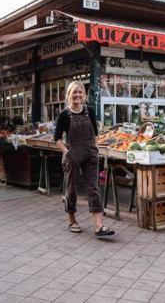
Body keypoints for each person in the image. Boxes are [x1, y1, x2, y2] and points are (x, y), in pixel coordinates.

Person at [54, 81, 115, 237]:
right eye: (74, 92)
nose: (77, 95)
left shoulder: (90, 111)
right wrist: (67, 152)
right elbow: (57, 138)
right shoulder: (64, 114)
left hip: (90, 154)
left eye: (80, 92)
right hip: (73, 154)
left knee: (94, 188)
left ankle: (99, 226)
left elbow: (95, 131)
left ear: (84, 94)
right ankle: (72, 219)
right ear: (69, 94)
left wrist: (95, 148)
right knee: (71, 188)